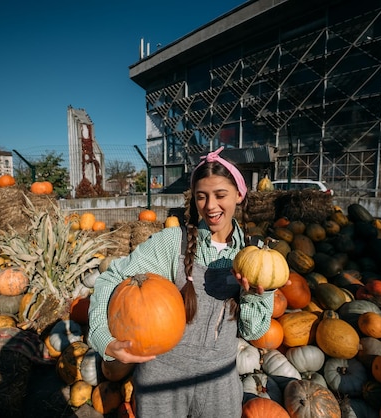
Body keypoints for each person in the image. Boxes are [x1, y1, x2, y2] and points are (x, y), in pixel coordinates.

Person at [88, 146, 274, 417]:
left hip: (220, 381)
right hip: (161, 379)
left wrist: (259, 294)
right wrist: (103, 338)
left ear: (239, 194)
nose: (210, 206)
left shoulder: (253, 256)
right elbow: (112, 278)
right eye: (202, 197)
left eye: (220, 195)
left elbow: (254, 333)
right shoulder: (172, 243)